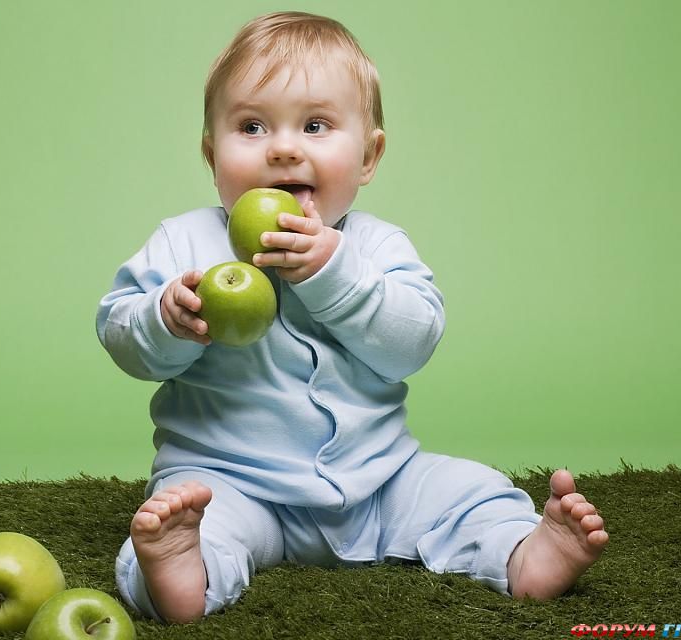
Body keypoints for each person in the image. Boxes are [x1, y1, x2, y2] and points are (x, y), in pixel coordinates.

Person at [96, 11, 608, 624]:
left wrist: (331, 272)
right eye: (251, 127)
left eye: (316, 125)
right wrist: (165, 320)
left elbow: (412, 341)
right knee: (195, 523)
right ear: (211, 154)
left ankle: (523, 550)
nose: (284, 147)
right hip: (231, 483)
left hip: (380, 481)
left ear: (369, 155)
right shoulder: (183, 244)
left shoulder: (377, 247)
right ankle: (181, 573)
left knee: (469, 490)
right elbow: (119, 332)